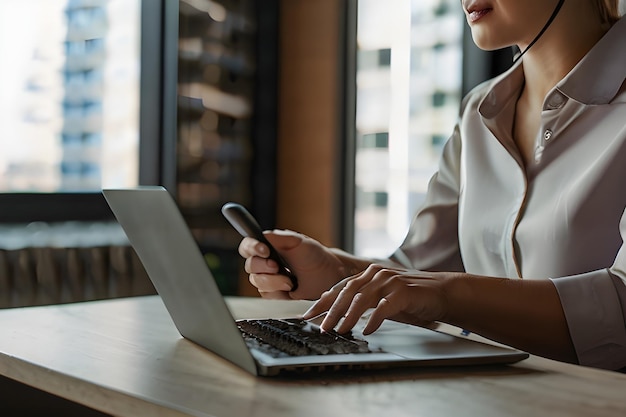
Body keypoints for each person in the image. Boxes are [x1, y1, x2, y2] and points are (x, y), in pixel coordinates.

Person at [238, 0, 626, 371]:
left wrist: (448, 296)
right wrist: (337, 271)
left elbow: (620, 306)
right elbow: (420, 273)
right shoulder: (479, 112)